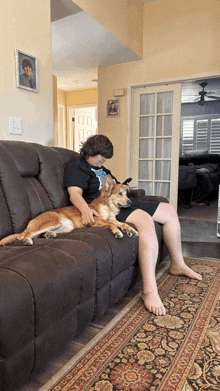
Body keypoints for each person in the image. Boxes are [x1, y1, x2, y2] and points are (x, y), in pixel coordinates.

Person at [65, 135, 202, 316]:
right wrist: (85, 210)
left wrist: (122, 186)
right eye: (102, 155)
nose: (105, 159)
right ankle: (149, 291)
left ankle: (177, 263)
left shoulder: (104, 169)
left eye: (106, 156)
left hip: (122, 202)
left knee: (168, 210)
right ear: (91, 150)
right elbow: (75, 194)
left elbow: (116, 188)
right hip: (105, 207)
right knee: (145, 220)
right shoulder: (76, 168)